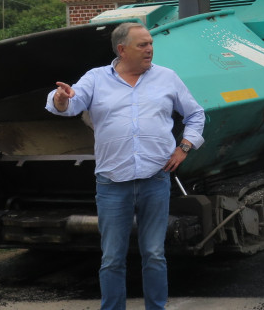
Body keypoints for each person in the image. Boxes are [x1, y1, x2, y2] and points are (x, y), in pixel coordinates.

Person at [45, 22, 205, 310]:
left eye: (150, 43)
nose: (150, 49)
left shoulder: (167, 78)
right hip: (112, 184)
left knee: (154, 254)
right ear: (122, 50)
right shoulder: (95, 79)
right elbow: (69, 104)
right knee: (112, 258)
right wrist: (59, 99)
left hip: (155, 179)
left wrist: (184, 148)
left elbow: (196, 115)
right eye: (142, 44)